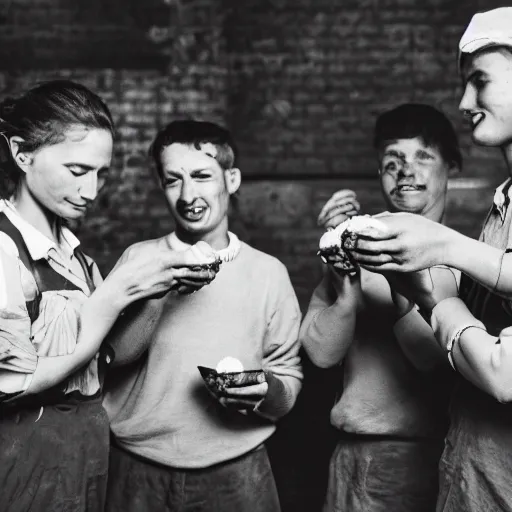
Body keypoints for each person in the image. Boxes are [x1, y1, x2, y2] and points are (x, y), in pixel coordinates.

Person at [0, 80, 219, 512]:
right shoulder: (4, 250)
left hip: (84, 459)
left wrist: (157, 291)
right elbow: (11, 386)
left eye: (101, 173)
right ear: (21, 153)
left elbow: (109, 361)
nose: (93, 190)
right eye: (78, 171)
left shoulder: (75, 255)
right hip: (22, 464)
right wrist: (108, 301)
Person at [348, 8, 512, 512]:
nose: (464, 102)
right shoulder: (502, 204)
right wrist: (421, 292)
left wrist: (441, 249)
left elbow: (504, 374)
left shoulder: (462, 238)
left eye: (479, 82)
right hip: (469, 470)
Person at [104, 120, 303, 512]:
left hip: (239, 468)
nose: (187, 194)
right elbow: (112, 360)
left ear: (231, 179)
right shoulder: (138, 260)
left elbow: (288, 388)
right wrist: (160, 289)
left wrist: (267, 390)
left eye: (201, 175)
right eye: (173, 180)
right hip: (137, 467)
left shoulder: (268, 273)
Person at [300, 103, 462, 512]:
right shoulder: (356, 252)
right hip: (351, 454)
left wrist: (395, 275)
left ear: (451, 168)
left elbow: (430, 359)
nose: (405, 170)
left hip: (428, 456)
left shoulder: (468, 262)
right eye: (393, 160)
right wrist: (348, 282)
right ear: (379, 174)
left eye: (423, 156)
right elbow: (320, 355)